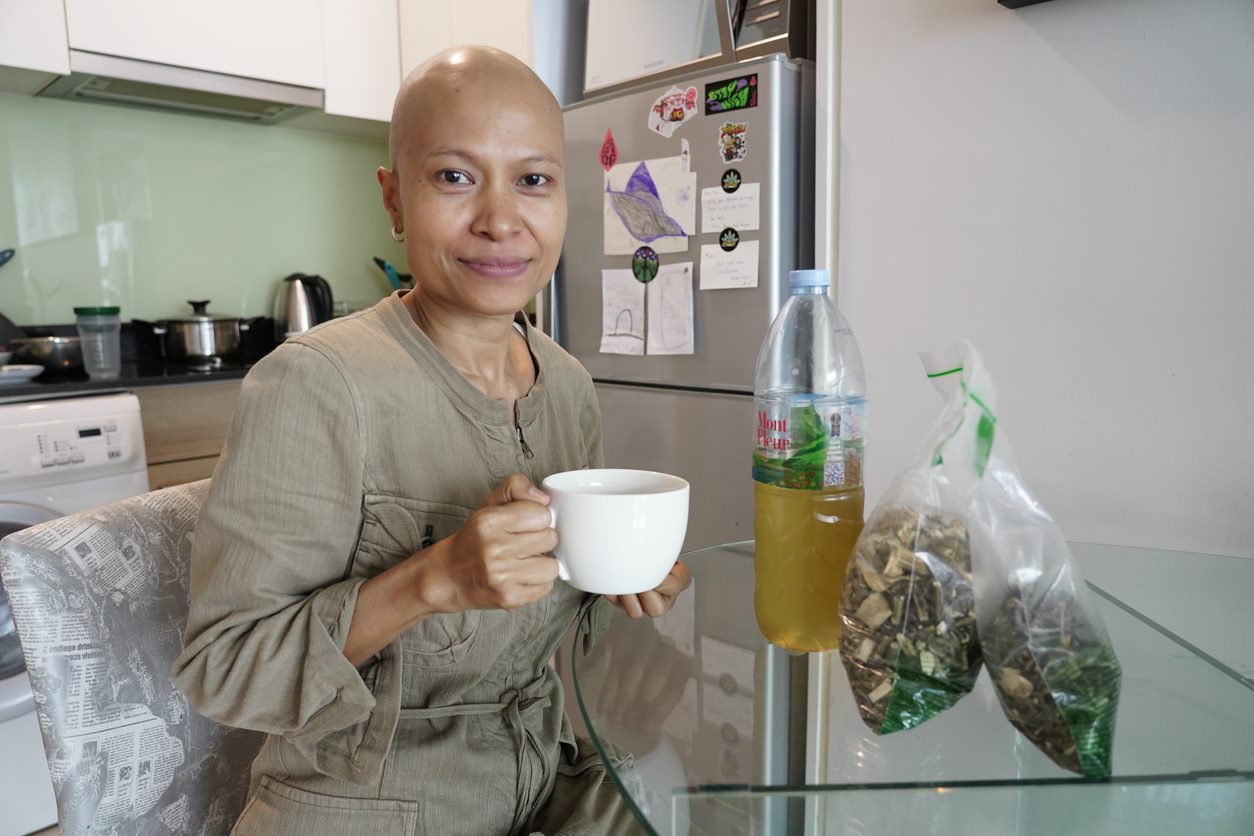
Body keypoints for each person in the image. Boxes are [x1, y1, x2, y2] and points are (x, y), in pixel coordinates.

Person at [172, 46, 690, 835]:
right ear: (394, 198)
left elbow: (538, 620)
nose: (500, 219)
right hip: (364, 804)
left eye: (533, 180)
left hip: (540, 776)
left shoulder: (570, 386)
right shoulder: (316, 384)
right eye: (454, 177)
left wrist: (626, 578)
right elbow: (226, 669)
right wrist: (435, 579)